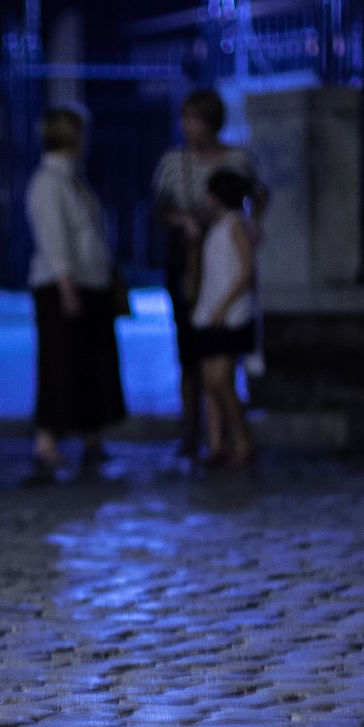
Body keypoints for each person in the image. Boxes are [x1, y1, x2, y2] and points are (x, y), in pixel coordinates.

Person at [152, 90, 263, 459]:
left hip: (223, 255)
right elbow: (160, 205)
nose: (188, 127)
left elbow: (259, 194)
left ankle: (233, 435)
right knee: (191, 347)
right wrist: (182, 221)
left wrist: (254, 226)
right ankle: (194, 431)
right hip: (188, 256)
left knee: (222, 352)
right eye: (184, 119)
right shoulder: (173, 162)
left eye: (194, 119)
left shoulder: (237, 160)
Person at [25, 105, 124, 484]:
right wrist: (66, 284)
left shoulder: (72, 181)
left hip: (89, 284)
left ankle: (91, 434)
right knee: (59, 364)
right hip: (62, 287)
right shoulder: (49, 183)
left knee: (89, 364)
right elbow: (55, 239)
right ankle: (47, 438)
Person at [194, 170, 259, 467]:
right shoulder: (216, 227)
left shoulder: (236, 226)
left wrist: (223, 305)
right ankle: (217, 443)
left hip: (231, 315)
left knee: (223, 381)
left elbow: (246, 271)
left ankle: (241, 439)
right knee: (209, 382)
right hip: (209, 313)